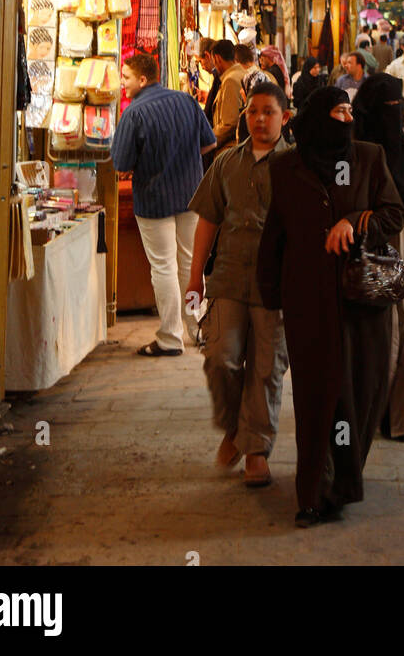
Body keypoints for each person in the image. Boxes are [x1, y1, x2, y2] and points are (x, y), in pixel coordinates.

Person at [257, 87, 404, 526]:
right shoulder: (286, 168)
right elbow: (275, 235)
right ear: (319, 117)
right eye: (336, 111)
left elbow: (393, 215)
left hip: (363, 305)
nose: (345, 119)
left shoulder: (369, 158)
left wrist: (356, 224)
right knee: (317, 397)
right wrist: (270, 297)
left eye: (348, 111)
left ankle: (342, 479)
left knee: (358, 394)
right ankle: (312, 494)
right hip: (309, 303)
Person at [186, 83, 290, 487]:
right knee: (220, 358)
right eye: (252, 112)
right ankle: (234, 427)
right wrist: (195, 277)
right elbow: (208, 221)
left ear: (285, 116)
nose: (260, 119)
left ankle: (256, 450)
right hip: (228, 278)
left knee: (267, 368)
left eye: (269, 112)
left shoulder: (296, 165)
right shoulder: (226, 162)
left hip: (275, 284)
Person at [112, 51, 217, 356]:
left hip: (155, 198)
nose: (123, 83)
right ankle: (199, 328)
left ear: (142, 79)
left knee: (163, 267)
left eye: (126, 77)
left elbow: (121, 162)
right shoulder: (186, 102)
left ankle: (170, 338)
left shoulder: (134, 113)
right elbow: (209, 143)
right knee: (190, 263)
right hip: (191, 194)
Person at [351, 73, 404, 442]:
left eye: (396, 106)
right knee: (368, 329)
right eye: (386, 107)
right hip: (360, 242)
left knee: (403, 328)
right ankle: (364, 411)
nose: (393, 113)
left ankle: (400, 416)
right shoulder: (352, 141)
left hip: (402, 239)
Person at [210, 39, 246, 154]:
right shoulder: (241, 73)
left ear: (217, 58)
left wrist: (208, 140)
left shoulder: (230, 80)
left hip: (229, 150)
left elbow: (229, 123)